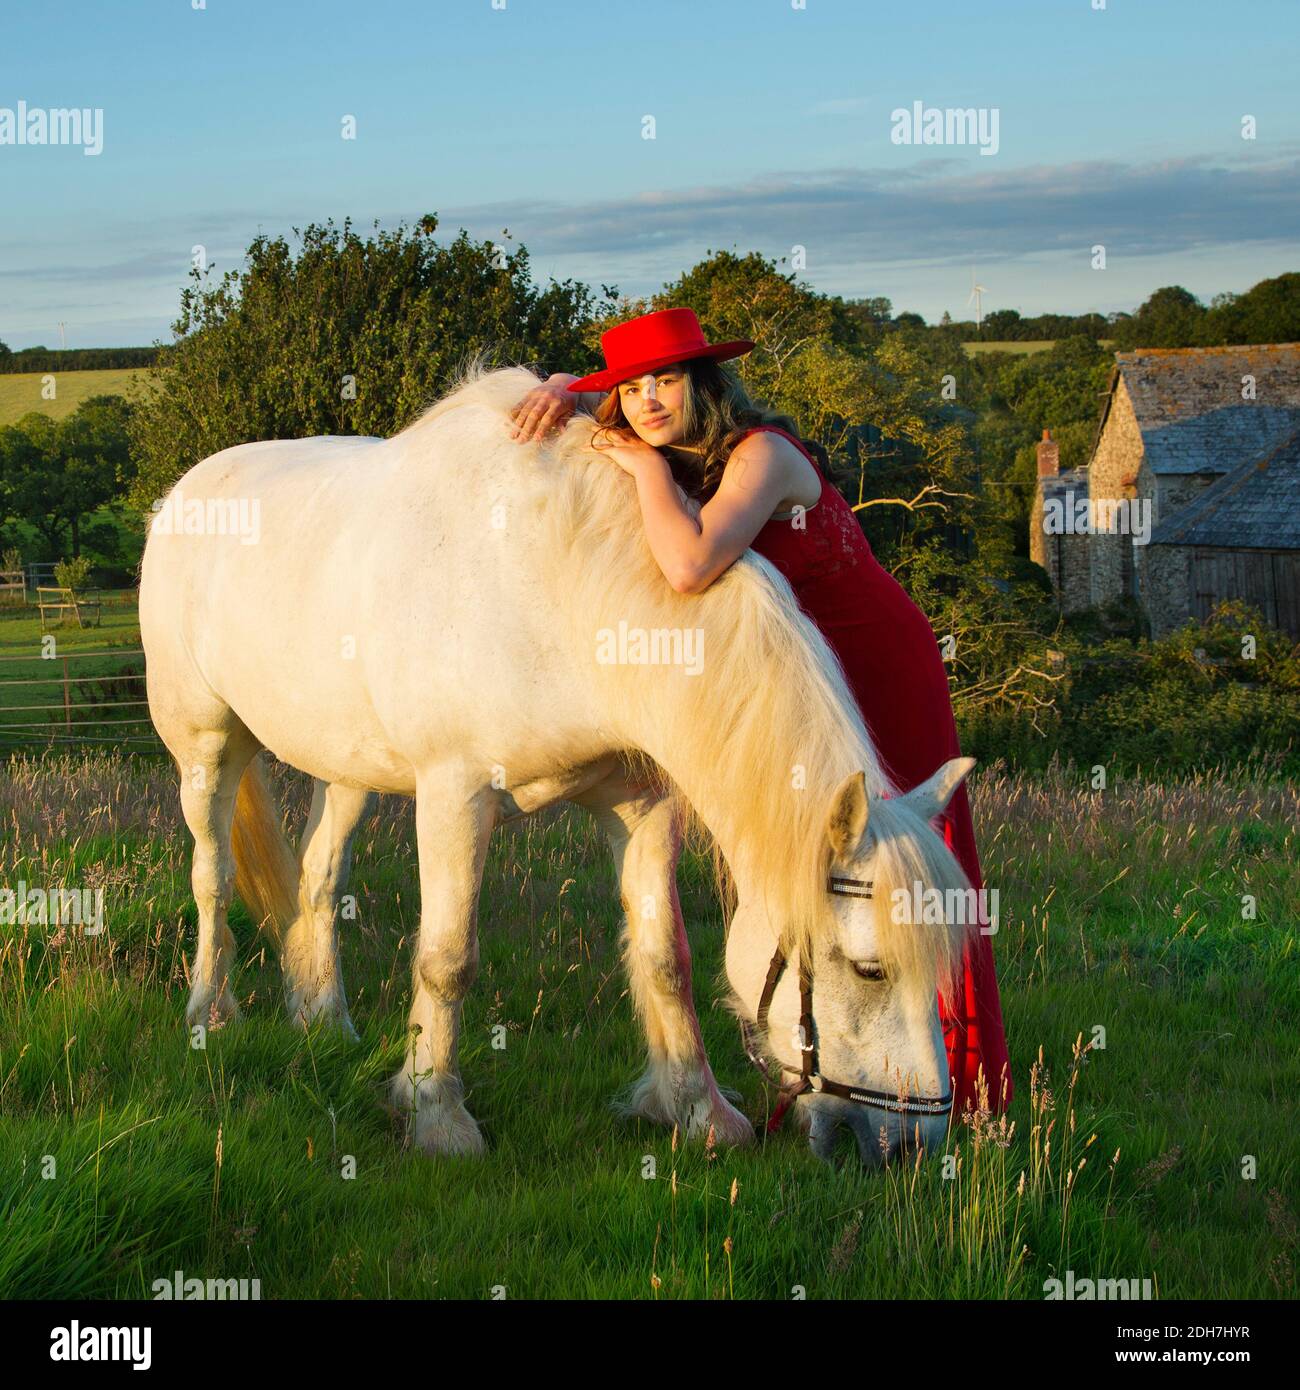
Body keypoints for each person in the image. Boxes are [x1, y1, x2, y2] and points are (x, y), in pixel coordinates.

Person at [508, 307, 1012, 1115]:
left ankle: (955, 1083)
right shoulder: (680, 458)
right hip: (796, 685)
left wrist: (639, 470)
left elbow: (692, 565)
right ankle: (816, 1073)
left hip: (876, 667)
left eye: (666, 380)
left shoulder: (762, 454)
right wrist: (571, 390)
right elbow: (599, 423)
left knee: (900, 874)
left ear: (706, 384)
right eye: (632, 390)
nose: (648, 402)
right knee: (800, 866)